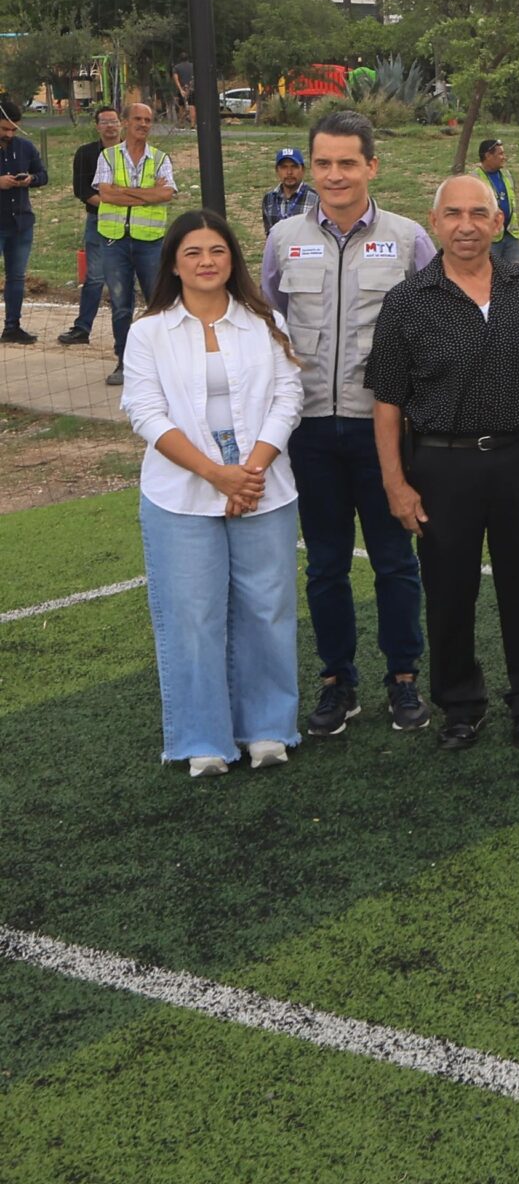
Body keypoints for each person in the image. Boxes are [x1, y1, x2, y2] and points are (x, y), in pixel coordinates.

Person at [366, 174, 519, 751]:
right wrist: (395, 483)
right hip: (441, 465)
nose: (466, 225)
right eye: (453, 214)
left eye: (479, 213)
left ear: (498, 222)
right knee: (449, 591)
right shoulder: (407, 300)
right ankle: (460, 704)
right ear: (435, 223)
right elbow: (387, 400)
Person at [263, 109, 437, 737]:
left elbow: (433, 328)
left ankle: (403, 678)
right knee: (326, 565)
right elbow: (270, 324)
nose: (334, 175)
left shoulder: (409, 238)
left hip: (383, 430)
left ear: (372, 166)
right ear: (310, 167)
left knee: (394, 561)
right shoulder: (283, 238)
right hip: (309, 430)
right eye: (324, 163)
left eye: (347, 163)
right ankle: (338, 681)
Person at [121, 210, 305, 777]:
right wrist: (215, 474)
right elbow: (145, 412)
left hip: (263, 488)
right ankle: (202, 739)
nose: (207, 262)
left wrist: (250, 471)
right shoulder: (149, 332)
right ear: (174, 265)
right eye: (193, 253)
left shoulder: (265, 322)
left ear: (233, 260)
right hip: (180, 496)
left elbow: (289, 396)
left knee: (267, 611)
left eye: (217, 251)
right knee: (192, 617)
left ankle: (268, 729)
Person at [94, 97, 179, 387]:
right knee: (121, 304)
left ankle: (161, 363)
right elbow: (106, 194)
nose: (143, 124)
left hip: (150, 242)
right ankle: (124, 361)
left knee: (158, 301)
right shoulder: (108, 157)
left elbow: (166, 194)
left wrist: (125, 192)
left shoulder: (160, 158)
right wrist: (146, 193)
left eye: (148, 120)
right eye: (138, 119)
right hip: (114, 240)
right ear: (125, 122)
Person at [56, 104, 119, 346]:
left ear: (121, 124)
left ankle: (129, 333)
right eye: (105, 122)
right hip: (99, 220)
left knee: (125, 278)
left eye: (114, 121)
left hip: (131, 224)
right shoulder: (86, 153)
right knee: (94, 276)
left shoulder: (132, 152)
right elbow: (82, 190)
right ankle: (82, 329)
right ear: (97, 126)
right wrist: (112, 208)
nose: (110, 126)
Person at [0, 98, 44, 344]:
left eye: (13, 129)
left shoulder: (25, 147)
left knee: (16, 277)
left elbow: (43, 174)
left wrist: (31, 179)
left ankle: (12, 327)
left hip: (21, 224)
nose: (9, 134)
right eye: (4, 129)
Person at [479, 138, 519, 267]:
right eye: (500, 154)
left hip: (511, 233)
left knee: (518, 273)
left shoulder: (506, 174)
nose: (504, 157)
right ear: (488, 155)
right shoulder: (475, 179)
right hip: (489, 237)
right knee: (490, 273)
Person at [261, 149, 314, 236]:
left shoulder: (316, 199)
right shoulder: (269, 199)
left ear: (303, 170)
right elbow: (269, 234)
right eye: (284, 167)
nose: (289, 172)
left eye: (294, 167)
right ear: (277, 171)